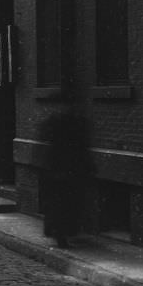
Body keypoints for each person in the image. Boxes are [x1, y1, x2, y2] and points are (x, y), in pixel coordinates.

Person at [40, 106, 94, 248]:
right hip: (65, 171)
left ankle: (61, 232)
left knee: (60, 205)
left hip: (61, 171)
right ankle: (62, 233)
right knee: (64, 204)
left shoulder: (56, 124)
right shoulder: (75, 124)